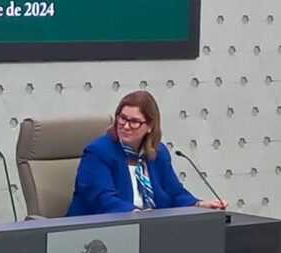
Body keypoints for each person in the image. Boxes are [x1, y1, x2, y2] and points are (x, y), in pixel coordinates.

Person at [66, 90, 227, 216]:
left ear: (150, 126)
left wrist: (199, 205)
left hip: (149, 231)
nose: (126, 126)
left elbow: (174, 193)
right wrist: (139, 217)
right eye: (122, 118)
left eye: (134, 122)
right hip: (101, 233)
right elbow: (103, 201)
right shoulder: (98, 152)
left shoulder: (157, 153)